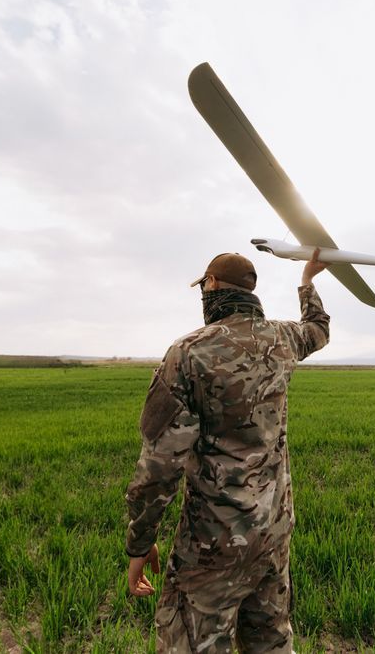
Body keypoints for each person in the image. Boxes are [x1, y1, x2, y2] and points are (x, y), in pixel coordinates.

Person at [124, 248, 331, 653]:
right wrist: (308, 283)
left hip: (211, 545)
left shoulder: (188, 353)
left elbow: (159, 468)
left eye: (203, 285)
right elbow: (318, 329)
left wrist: (139, 542)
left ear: (213, 285)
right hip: (272, 534)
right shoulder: (283, 338)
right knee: (271, 641)